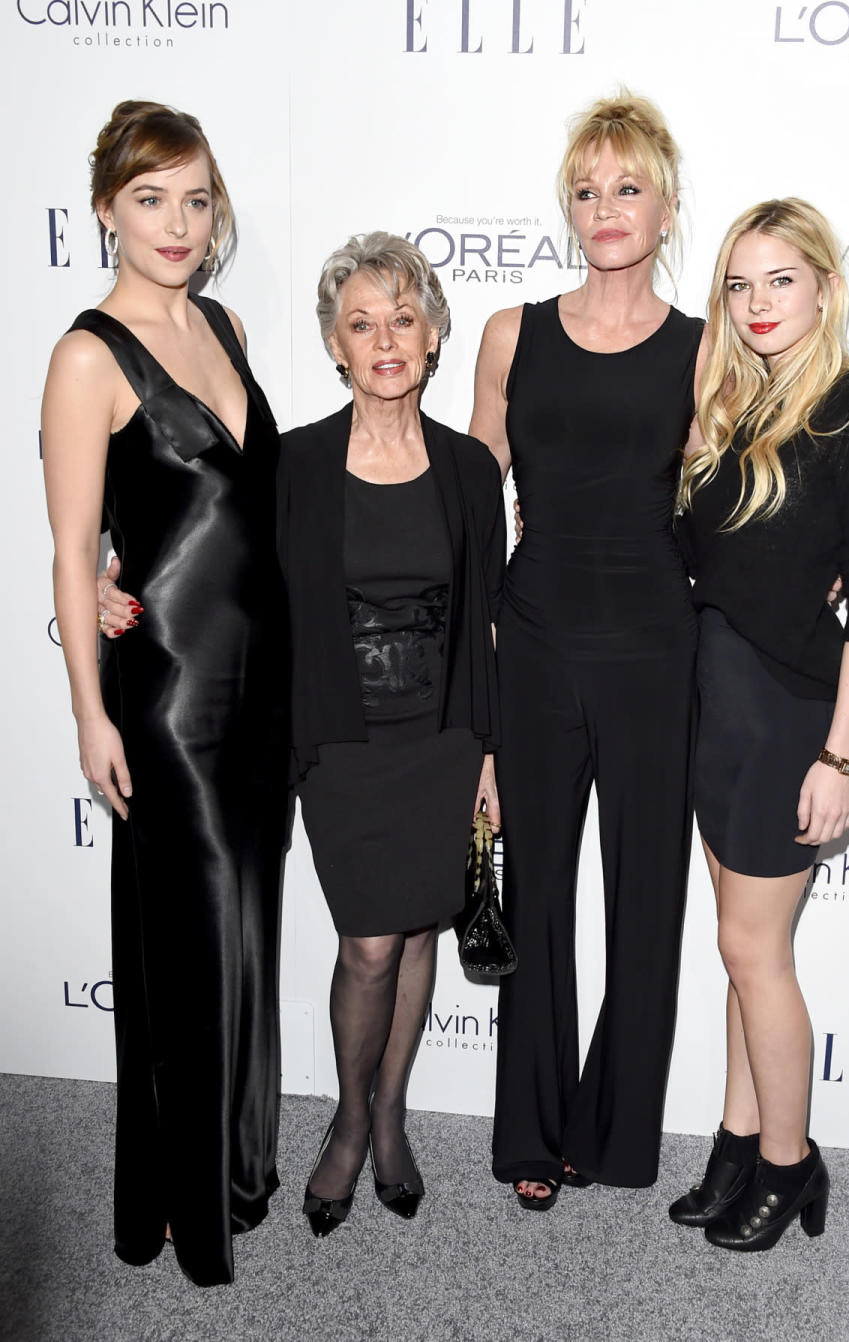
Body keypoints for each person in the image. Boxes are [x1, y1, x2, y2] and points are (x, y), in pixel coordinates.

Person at [41, 101, 289, 1287]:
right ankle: (189, 1208)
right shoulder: (88, 353)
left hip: (266, 686)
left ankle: (228, 1169)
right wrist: (91, 710)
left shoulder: (229, 323)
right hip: (174, 701)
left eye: (196, 199)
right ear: (106, 209)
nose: (178, 223)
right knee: (186, 949)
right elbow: (70, 545)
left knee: (246, 934)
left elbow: (236, 510)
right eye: (151, 199)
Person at [470, 93, 707, 1206]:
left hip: (658, 652)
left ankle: (613, 1137)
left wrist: (828, 560)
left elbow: (736, 503)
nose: (605, 207)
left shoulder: (707, 351)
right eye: (585, 188)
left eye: (627, 187)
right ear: (565, 207)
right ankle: (532, 1131)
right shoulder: (511, 333)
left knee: (646, 901)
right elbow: (468, 505)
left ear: (664, 206)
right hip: (537, 644)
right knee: (538, 897)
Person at [670, 199, 849, 1250]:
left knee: (752, 947)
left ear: (823, 285)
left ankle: (787, 1162)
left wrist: (841, 756)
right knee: (741, 950)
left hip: (786, 718)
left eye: (780, 280)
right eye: (738, 284)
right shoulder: (729, 409)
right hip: (714, 706)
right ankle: (738, 1138)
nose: (758, 303)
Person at [277, 233, 504, 1237]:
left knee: (419, 929)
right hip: (343, 740)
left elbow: (487, 623)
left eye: (403, 319)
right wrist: (112, 574)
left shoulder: (465, 467)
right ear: (335, 343)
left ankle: (393, 1114)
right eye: (362, 323)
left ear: (435, 333)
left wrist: (489, 753)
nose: (385, 340)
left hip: (442, 737)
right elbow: (230, 577)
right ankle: (346, 1121)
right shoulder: (295, 464)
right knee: (369, 942)